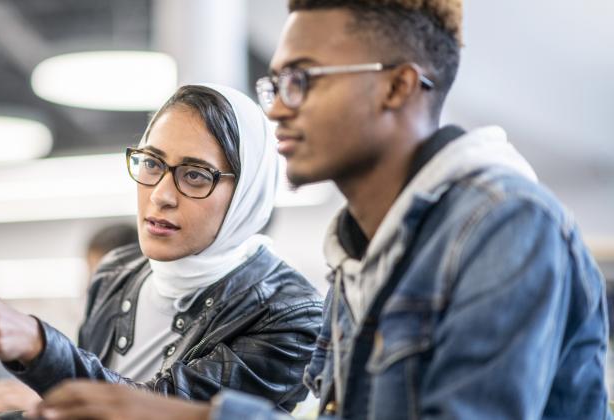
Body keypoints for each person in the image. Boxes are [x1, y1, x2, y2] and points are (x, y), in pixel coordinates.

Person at [31, 1, 611, 419]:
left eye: (304, 79)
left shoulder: (504, 226)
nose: (280, 109)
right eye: (277, 81)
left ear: (398, 87)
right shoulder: (360, 254)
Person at [0, 84, 323, 411]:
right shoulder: (117, 271)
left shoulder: (292, 315)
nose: (161, 194)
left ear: (247, 193)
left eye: (196, 175)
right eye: (151, 163)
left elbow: (165, 410)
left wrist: (40, 346)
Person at [0, 223, 139, 412]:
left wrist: (48, 403)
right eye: (93, 277)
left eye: (107, 280)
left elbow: (125, 406)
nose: (93, 288)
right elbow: (90, 387)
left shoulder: (146, 341)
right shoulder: (97, 331)